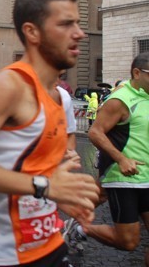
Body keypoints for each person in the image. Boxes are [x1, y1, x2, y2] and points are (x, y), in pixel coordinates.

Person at [0, 0, 99, 266]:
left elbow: (33, 170)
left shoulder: (59, 97)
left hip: (48, 243)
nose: (79, 33)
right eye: (66, 24)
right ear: (32, 32)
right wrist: (45, 187)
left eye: (77, 23)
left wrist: (63, 196)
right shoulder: (9, 86)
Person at [64, 52, 149, 262]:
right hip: (125, 178)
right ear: (137, 73)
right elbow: (95, 132)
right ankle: (82, 230)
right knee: (128, 241)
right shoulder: (120, 99)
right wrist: (121, 159)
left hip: (147, 177)